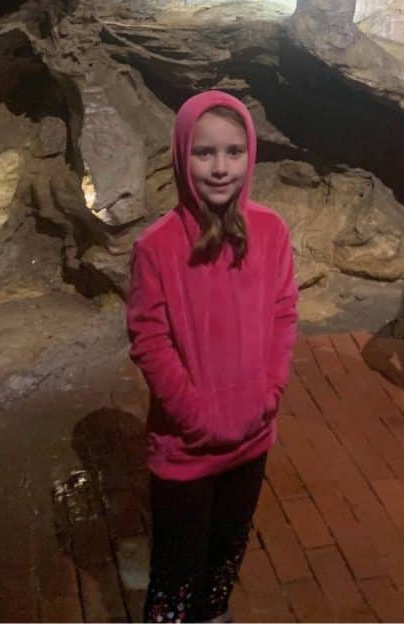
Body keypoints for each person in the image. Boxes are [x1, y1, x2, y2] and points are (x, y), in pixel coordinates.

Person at [127, 91, 298, 622]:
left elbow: (283, 313)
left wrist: (269, 392)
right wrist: (192, 413)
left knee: (226, 555)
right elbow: (149, 338)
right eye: (204, 153)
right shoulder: (155, 248)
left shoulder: (270, 231)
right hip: (187, 447)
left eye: (233, 151)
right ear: (182, 155)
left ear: (251, 155)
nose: (220, 168)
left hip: (252, 435)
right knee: (177, 570)